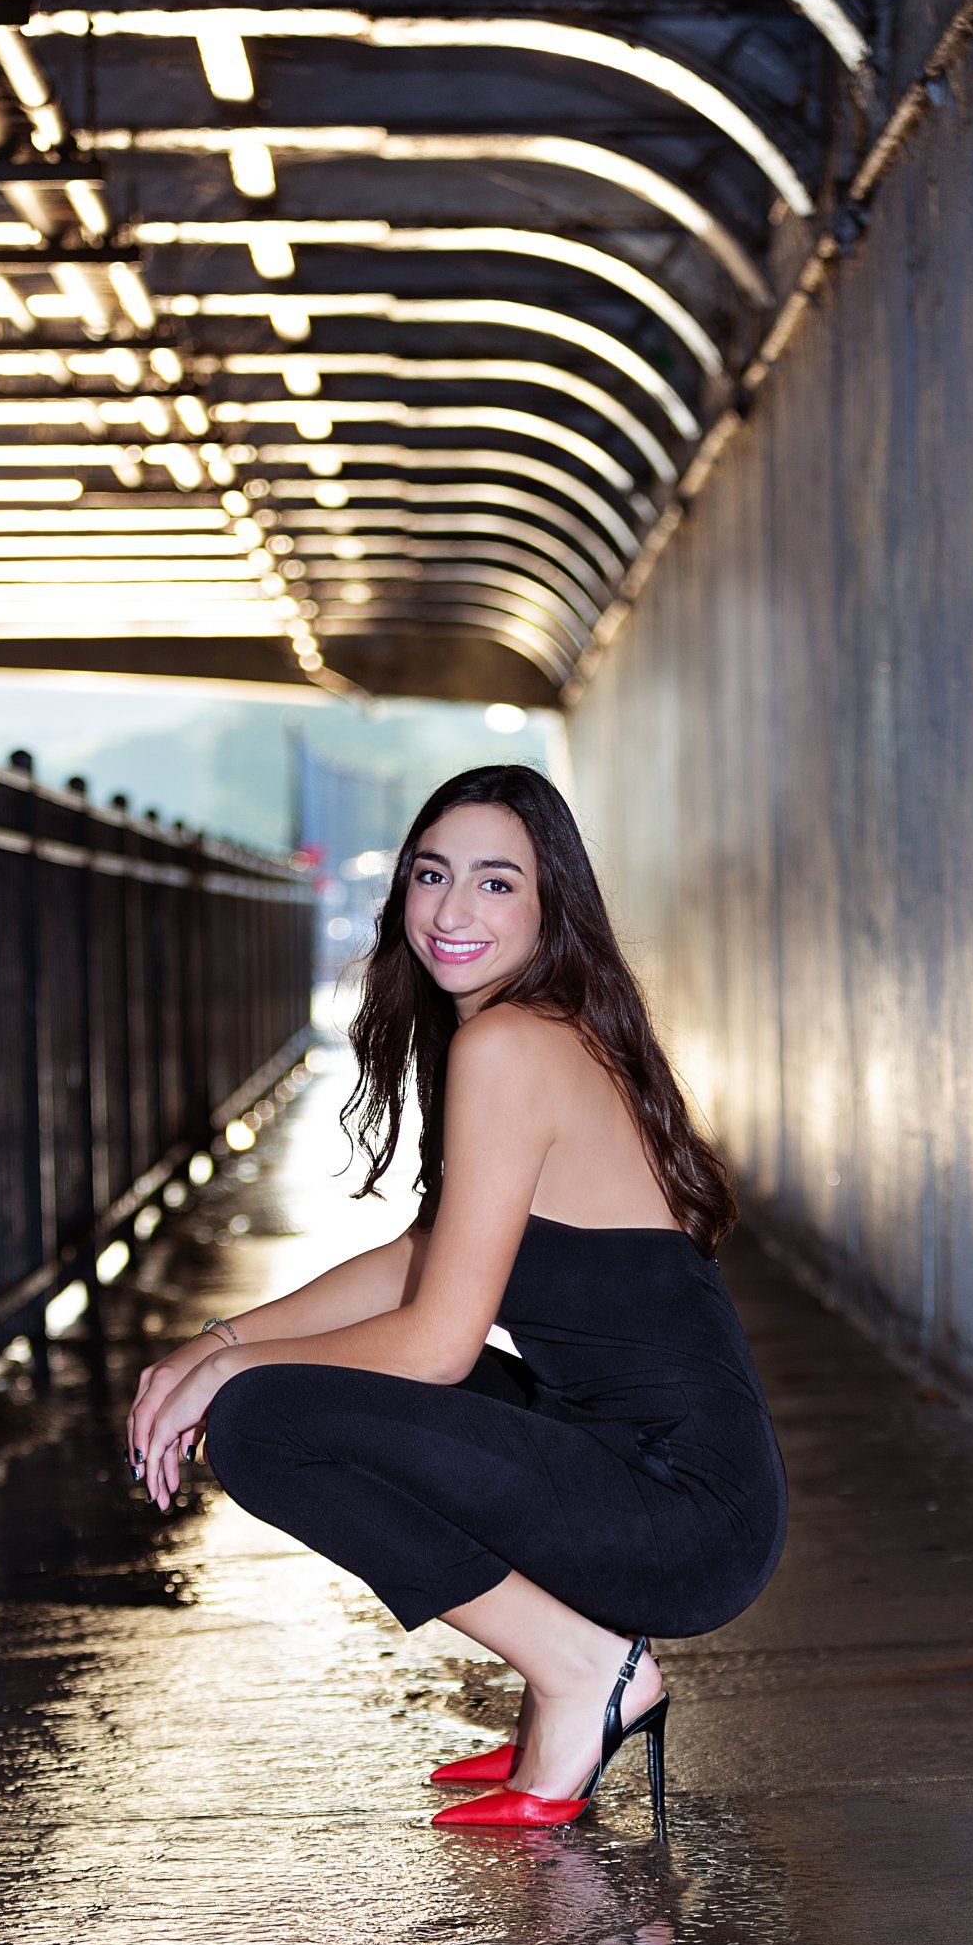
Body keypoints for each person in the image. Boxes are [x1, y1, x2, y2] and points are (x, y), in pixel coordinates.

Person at [127, 766, 787, 1831]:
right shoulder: (534, 1028)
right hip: (672, 1483)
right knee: (297, 1383)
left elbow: (435, 1344)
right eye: (433, 875)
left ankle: (586, 1671)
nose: (451, 910)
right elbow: (422, 1258)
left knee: (264, 1424)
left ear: (549, 902)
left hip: (679, 1517)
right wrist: (222, 1337)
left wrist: (233, 1375)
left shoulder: (510, 1044)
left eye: (495, 882)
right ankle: (567, 1681)